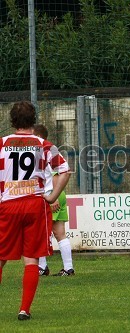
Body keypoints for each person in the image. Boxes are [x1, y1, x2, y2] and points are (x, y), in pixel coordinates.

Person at [0, 101, 70, 320]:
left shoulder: (2, 144)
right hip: (34, 204)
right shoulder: (45, 145)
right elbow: (65, 170)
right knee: (31, 259)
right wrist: (51, 196)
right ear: (33, 120)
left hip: (8, 204)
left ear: (12, 121)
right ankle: (24, 310)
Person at [33, 124, 74, 277]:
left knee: (41, 233)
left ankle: (42, 267)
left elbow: (56, 175)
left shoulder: (44, 152)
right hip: (58, 194)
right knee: (59, 232)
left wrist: (52, 197)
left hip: (52, 195)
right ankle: (68, 268)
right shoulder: (50, 151)